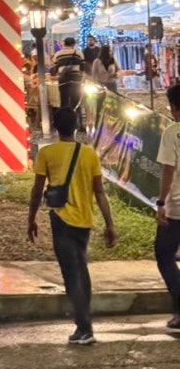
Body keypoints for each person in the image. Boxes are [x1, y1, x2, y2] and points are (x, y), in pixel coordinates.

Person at [27, 107, 116, 345]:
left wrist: (31, 218)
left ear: (55, 127)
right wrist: (110, 224)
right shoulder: (89, 154)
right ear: (77, 127)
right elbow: (100, 191)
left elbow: (37, 190)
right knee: (80, 269)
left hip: (61, 219)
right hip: (84, 221)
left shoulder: (47, 153)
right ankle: (84, 323)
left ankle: (84, 328)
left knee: (72, 274)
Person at [153, 83, 180, 329]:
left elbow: (168, 171)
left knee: (164, 254)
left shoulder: (172, 132)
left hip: (176, 209)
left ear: (173, 107)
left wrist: (161, 203)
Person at [51, 38, 86, 118]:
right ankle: (77, 120)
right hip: (75, 81)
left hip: (63, 81)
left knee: (64, 101)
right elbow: (83, 68)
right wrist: (81, 78)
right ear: (73, 44)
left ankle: (64, 119)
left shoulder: (58, 54)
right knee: (76, 102)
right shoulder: (79, 53)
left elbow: (54, 70)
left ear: (64, 44)